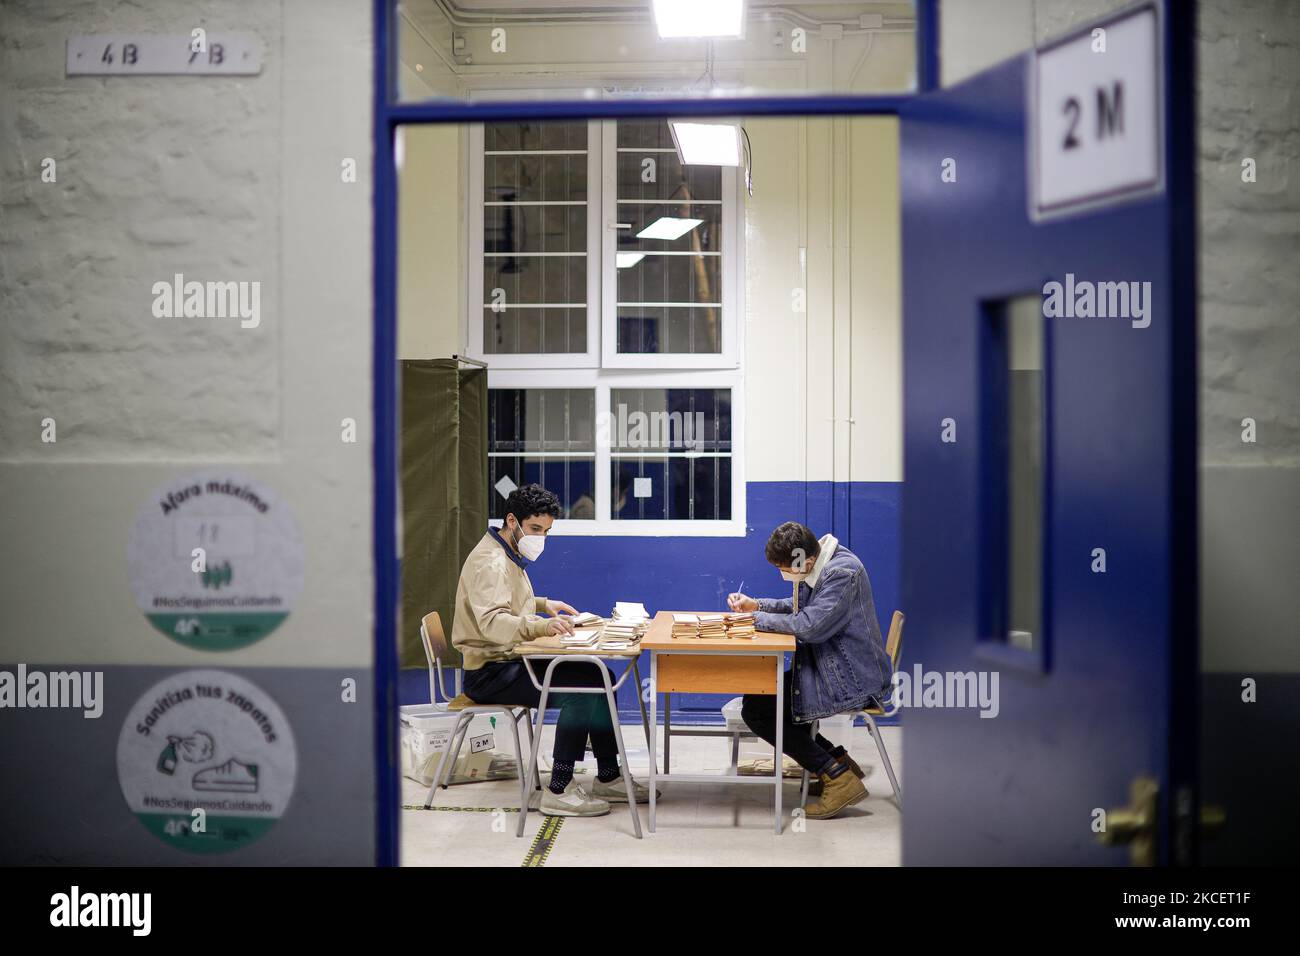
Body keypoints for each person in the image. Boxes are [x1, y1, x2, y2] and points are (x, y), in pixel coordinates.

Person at [451, 482, 654, 817]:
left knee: (596, 676)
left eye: (546, 531)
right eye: (534, 528)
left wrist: (545, 604)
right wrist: (541, 625)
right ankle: (557, 789)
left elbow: (507, 601)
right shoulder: (491, 562)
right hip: (488, 673)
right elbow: (492, 622)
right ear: (512, 520)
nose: (540, 537)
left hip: (508, 660)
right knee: (581, 692)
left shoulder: (505, 552)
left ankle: (608, 775)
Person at [727, 522, 893, 819]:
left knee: (759, 710)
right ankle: (836, 762)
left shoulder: (841, 573)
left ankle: (836, 775)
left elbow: (809, 626)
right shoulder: (820, 563)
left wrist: (755, 620)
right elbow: (798, 608)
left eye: (783, 568)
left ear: (806, 561)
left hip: (852, 678)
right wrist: (756, 605)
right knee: (761, 699)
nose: (784, 574)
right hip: (836, 666)